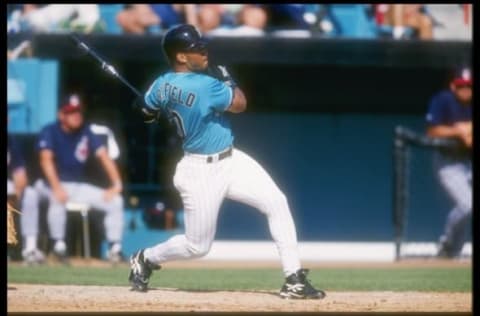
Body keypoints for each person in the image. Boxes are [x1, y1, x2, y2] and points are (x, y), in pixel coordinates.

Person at [128, 24, 325, 299]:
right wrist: (229, 81)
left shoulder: (161, 84)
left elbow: (147, 112)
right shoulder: (205, 84)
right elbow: (241, 104)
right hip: (200, 171)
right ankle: (146, 258)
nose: (203, 50)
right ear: (181, 57)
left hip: (230, 159)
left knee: (276, 202)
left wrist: (147, 108)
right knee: (198, 247)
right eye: (196, 48)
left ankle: (294, 279)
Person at [37, 94, 125, 263]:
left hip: (76, 187)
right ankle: (58, 246)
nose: (76, 115)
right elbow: (45, 160)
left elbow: (104, 157)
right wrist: (56, 187)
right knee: (57, 198)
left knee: (116, 200)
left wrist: (117, 184)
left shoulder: (86, 131)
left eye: (78, 111)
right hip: (51, 184)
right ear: (61, 114)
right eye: (71, 112)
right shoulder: (50, 130)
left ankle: (115, 248)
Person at [425, 66, 472, 258]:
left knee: (468, 207)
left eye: (469, 86)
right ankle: (447, 242)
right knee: (468, 205)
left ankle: (453, 253)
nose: (465, 90)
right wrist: (458, 131)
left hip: (468, 161)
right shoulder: (443, 99)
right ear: (453, 86)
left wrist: (468, 128)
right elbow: (432, 131)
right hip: (448, 162)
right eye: (461, 86)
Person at [7, 133, 46, 265]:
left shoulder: (10, 140)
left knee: (30, 194)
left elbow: (20, 174)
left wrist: (15, 197)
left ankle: (30, 249)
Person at [116, 4, 198, 34]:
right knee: (122, 17)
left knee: (141, 19)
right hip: (149, 13)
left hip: (165, 16)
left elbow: (190, 11)